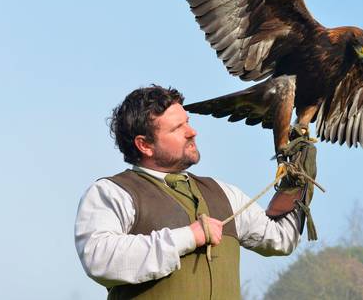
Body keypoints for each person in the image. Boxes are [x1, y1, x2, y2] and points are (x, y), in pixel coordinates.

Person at [75, 85, 314, 299]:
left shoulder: (223, 193)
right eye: (178, 128)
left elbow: (281, 239)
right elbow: (99, 259)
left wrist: (297, 180)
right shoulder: (112, 192)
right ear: (144, 145)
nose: (192, 132)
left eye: (187, 121)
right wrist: (188, 237)